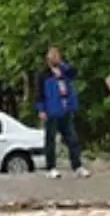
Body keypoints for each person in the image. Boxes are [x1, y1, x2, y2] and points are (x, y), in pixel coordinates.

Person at [34, 46, 88, 178]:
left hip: (65, 109)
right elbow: (39, 94)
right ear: (48, 59)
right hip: (52, 110)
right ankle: (51, 167)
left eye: (57, 56)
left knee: (72, 138)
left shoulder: (64, 72)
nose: (55, 58)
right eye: (53, 56)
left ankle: (77, 166)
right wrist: (41, 110)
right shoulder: (43, 75)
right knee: (51, 140)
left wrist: (62, 65)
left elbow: (74, 73)